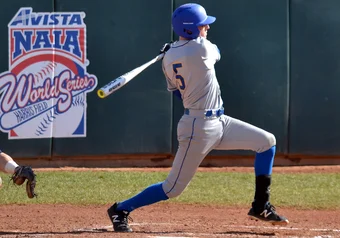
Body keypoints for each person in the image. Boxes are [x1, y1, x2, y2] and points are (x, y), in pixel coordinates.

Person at [107, 3, 289, 232]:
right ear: (192, 29)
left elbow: (175, 92)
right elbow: (218, 53)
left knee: (266, 142)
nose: (207, 28)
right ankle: (120, 209)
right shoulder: (202, 49)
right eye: (203, 25)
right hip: (198, 128)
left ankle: (260, 205)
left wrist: (172, 50)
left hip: (219, 122)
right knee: (172, 188)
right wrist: (178, 48)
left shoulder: (167, 59)